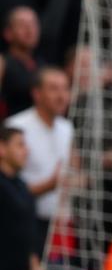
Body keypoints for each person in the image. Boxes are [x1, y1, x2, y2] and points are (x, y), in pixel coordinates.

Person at [5, 66, 74, 257]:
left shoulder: (67, 128)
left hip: (61, 223)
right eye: (53, 89)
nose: (61, 96)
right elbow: (7, 187)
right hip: (26, 224)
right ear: (36, 94)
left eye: (65, 88)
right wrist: (50, 185)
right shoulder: (16, 127)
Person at [0, 125, 42, 270]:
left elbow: (28, 229)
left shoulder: (22, 186)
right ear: (2, 148)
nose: (26, 151)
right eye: (20, 145)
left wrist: (34, 262)